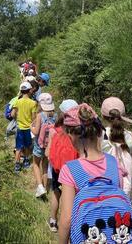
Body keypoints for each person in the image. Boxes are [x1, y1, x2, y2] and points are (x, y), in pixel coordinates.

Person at [58, 103, 128, 244]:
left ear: (72, 135)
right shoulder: (114, 163)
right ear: (99, 132)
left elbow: (66, 219)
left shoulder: (70, 169)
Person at [45, 99, 78, 232]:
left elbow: (48, 152)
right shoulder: (77, 132)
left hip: (57, 168)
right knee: (70, 196)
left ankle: (53, 221)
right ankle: (71, 225)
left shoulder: (54, 130)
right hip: (73, 168)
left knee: (56, 192)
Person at [30, 93, 56, 198]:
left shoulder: (40, 116)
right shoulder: (55, 115)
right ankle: (45, 188)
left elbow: (36, 132)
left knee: (36, 164)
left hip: (38, 145)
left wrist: (30, 127)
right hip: (49, 146)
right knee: (45, 166)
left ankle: (40, 187)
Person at [11, 82, 38, 173]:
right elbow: (34, 117)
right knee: (27, 146)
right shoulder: (33, 103)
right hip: (28, 128)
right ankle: (26, 160)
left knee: (18, 147)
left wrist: (17, 119)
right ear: (30, 90)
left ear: (21, 91)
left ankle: (17, 165)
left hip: (19, 127)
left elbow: (12, 114)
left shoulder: (17, 102)